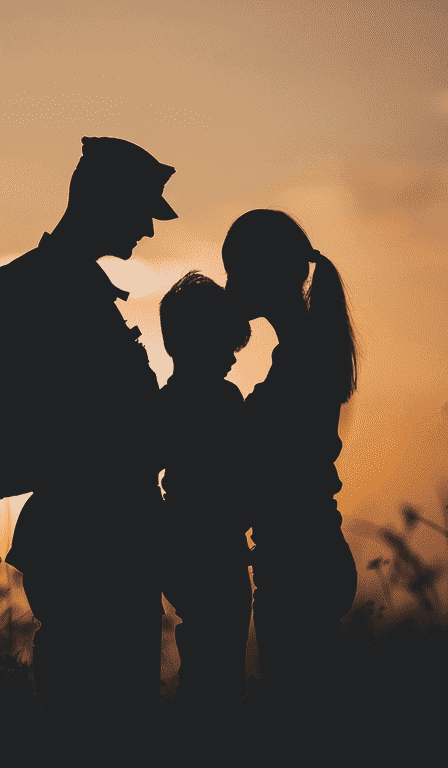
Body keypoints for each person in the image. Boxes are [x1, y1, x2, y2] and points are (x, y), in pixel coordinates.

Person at [0, 137, 177, 739]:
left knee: (122, 715)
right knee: (92, 715)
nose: (149, 230)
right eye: (142, 212)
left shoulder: (82, 289)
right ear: (104, 203)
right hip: (83, 538)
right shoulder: (22, 288)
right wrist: (39, 465)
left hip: (121, 531)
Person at [221, 208, 359, 724]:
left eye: (237, 272)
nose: (231, 285)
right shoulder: (304, 351)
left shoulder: (302, 360)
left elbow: (268, 458)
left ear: (268, 274)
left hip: (300, 559)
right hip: (307, 553)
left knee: (299, 718)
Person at [158, 271, 254, 723]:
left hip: (188, 548)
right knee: (216, 670)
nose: (232, 359)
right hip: (214, 551)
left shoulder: (165, 402)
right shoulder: (224, 400)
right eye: (225, 346)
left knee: (206, 661)